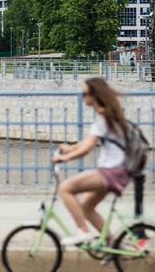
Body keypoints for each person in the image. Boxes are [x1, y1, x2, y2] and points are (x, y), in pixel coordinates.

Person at [52, 77, 131, 246]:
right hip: (119, 172)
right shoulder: (107, 115)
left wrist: (63, 158)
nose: (82, 98)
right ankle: (113, 244)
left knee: (65, 188)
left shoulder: (104, 118)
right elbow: (87, 142)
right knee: (86, 207)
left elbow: (87, 148)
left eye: (84, 94)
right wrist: (70, 148)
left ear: (94, 95)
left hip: (111, 172)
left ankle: (82, 232)